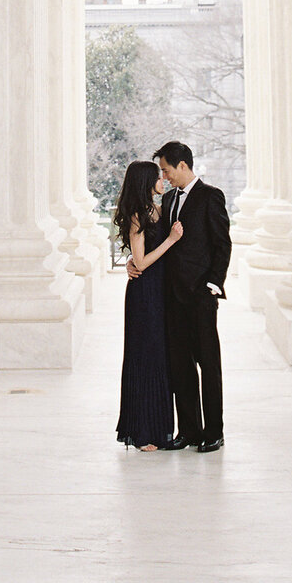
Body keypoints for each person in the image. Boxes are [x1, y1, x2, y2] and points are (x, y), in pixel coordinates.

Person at [147, 140, 232, 453]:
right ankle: (190, 431)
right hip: (173, 298)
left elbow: (223, 244)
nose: (165, 176)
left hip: (200, 296)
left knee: (209, 365)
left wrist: (213, 284)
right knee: (180, 365)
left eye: (167, 170)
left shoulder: (211, 196)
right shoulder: (168, 200)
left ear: (182, 165)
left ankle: (214, 432)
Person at [113, 160, 183, 451]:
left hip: (161, 290)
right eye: (158, 176)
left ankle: (161, 429)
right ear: (146, 182)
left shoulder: (161, 207)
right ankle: (142, 433)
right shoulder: (136, 215)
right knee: (145, 357)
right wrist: (171, 240)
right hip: (144, 294)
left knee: (161, 358)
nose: (163, 179)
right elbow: (141, 261)